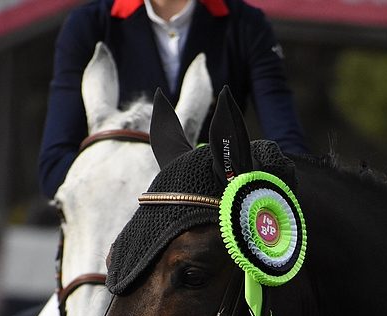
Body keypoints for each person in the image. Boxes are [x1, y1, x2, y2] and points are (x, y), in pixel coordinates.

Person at [39, 0, 308, 198]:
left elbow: (289, 153)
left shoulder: (248, 25)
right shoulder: (87, 26)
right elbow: (55, 167)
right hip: (112, 226)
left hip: (209, 221)